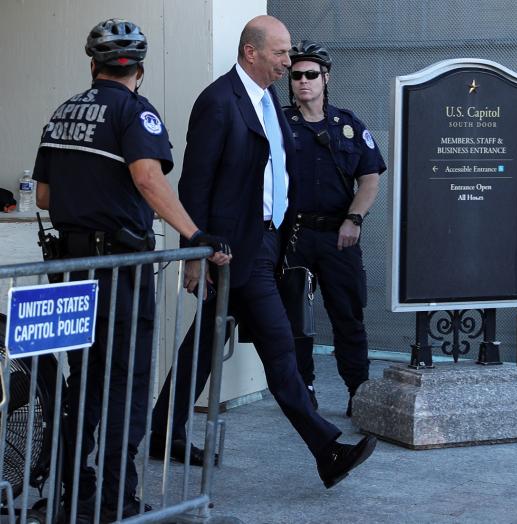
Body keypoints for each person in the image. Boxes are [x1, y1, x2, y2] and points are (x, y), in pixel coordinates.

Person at [148, 15, 376, 487]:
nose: (289, 62)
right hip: (233, 250)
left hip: (268, 243)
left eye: (291, 53)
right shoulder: (218, 102)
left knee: (206, 341)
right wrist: (195, 250)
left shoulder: (268, 100)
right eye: (281, 53)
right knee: (280, 344)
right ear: (251, 52)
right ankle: (326, 449)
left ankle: (161, 431)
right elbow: (196, 181)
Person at [32, 18, 230, 522]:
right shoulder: (135, 112)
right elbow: (147, 177)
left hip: (70, 268)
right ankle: (117, 501)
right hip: (119, 272)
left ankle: (72, 493)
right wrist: (194, 235)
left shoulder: (62, 112)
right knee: (126, 385)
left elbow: (44, 196)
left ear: (92, 65)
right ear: (138, 70)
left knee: (84, 382)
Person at [283, 41, 386, 416]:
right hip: (292, 237)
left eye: (311, 74)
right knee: (296, 321)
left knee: (348, 316)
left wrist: (353, 219)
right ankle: (303, 392)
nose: (304, 82)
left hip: (339, 237)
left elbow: (370, 179)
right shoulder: (279, 124)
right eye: (296, 75)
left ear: (326, 78)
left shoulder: (347, 124)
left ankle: (358, 392)